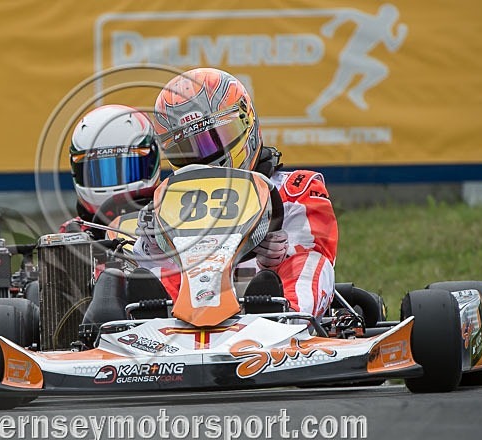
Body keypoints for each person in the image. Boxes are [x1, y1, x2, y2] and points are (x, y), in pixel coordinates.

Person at [138, 67, 338, 318]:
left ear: (247, 122)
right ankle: (138, 326)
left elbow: (314, 251)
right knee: (145, 273)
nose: (206, 158)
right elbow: (147, 265)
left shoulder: (295, 189)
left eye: (215, 140)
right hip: (186, 316)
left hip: (268, 305)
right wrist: (151, 245)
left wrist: (271, 260)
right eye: (189, 149)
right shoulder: (173, 201)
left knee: (307, 262)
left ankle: (291, 317)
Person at [61, 104, 162, 236]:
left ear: (151, 161)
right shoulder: (73, 233)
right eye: (97, 173)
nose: (112, 184)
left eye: (126, 169)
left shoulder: (169, 215)